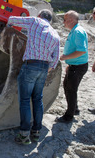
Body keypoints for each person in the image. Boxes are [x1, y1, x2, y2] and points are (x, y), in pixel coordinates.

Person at [7, 9, 60, 145]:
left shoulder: (34, 21)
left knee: (25, 100)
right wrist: (47, 69)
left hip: (30, 66)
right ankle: (36, 132)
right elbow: (55, 59)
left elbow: (12, 19)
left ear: (39, 16)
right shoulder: (55, 34)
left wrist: (7, 25)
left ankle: (24, 134)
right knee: (38, 99)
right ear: (51, 20)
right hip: (44, 68)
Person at [55, 10, 88, 123]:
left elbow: (81, 51)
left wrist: (66, 57)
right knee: (68, 87)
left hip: (78, 66)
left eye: (65, 20)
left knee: (71, 90)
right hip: (74, 65)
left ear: (71, 20)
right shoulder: (74, 31)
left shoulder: (78, 32)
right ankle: (75, 109)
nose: (63, 22)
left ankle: (69, 116)